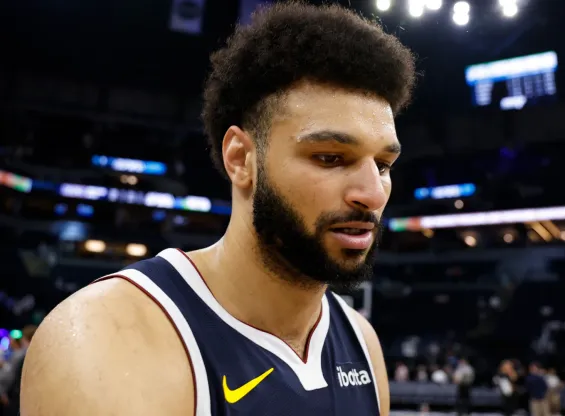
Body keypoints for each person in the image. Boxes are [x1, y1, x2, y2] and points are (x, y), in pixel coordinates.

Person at [19, 3, 416, 415]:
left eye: (384, 165)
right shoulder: (102, 338)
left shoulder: (363, 345)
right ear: (241, 159)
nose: (372, 193)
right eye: (330, 157)